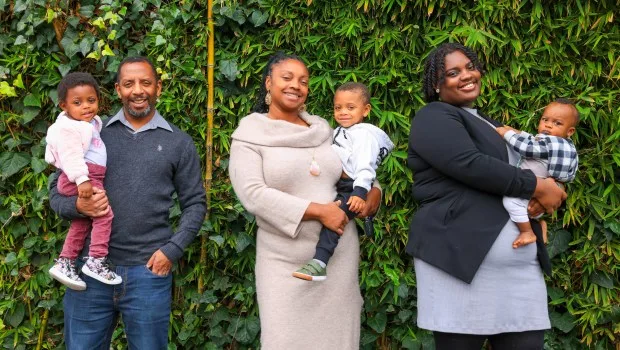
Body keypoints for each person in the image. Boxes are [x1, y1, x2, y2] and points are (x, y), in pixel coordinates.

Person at [407, 43, 566, 349]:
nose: (466, 76)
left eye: (469, 67)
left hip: (518, 274)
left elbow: (522, 170)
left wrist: (549, 192)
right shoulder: (433, 116)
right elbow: (470, 165)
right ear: (436, 84)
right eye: (452, 73)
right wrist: (537, 186)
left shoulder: (488, 122)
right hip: (459, 265)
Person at [48, 57, 206, 349]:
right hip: (88, 273)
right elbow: (56, 194)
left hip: (147, 273)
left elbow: (195, 203)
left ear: (158, 87)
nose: (138, 90)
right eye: (129, 84)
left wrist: (171, 250)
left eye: (146, 82)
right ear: (118, 89)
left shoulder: (179, 143)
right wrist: (78, 208)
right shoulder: (92, 133)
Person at [228, 52, 381, 349]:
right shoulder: (250, 134)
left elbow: (354, 169)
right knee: (284, 339)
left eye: (304, 81)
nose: (296, 85)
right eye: (287, 78)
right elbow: (253, 194)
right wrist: (319, 212)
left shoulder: (325, 131)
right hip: (283, 261)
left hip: (338, 257)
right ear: (269, 83)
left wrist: (374, 193)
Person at [293, 82, 393, 281]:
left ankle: (320, 262)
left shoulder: (364, 135)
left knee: (335, 219)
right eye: (338, 108)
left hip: (354, 187)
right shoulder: (341, 132)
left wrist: (360, 193)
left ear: (366, 110)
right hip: (343, 185)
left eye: (350, 107)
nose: (343, 112)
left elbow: (366, 167)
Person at [45, 72, 121, 290]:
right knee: (104, 214)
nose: (86, 107)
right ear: (64, 106)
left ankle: (66, 261)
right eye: (77, 103)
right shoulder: (67, 128)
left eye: (91, 100)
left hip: (88, 175)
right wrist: (82, 179)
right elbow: (70, 155)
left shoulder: (91, 123)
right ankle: (96, 260)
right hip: (83, 177)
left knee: (83, 221)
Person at [496, 99, 579, 248]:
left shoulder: (554, 143)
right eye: (545, 119)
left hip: (534, 190)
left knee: (510, 202)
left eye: (557, 123)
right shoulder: (559, 144)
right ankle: (539, 226)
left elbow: (528, 148)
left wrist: (507, 134)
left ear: (570, 131)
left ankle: (527, 232)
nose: (548, 125)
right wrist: (517, 132)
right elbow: (532, 139)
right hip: (539, 195)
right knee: (522, 210)